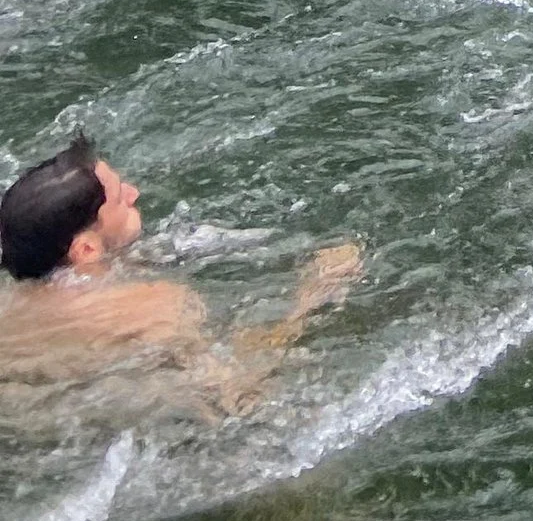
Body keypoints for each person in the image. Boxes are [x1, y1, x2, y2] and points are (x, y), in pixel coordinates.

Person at [0, 138, 358, 407]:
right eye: (118, 198)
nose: (133, 193)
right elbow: (240, 395)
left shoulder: (10, 311)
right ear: (87, 250)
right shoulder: (153, 306)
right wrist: (313, 296)